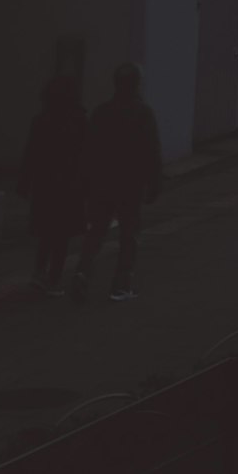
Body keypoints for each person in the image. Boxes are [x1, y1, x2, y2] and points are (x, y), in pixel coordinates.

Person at [77, 62, 164, 303]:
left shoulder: (101, 111)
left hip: (102, 182)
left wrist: (85, 182)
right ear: (136, 84)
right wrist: (154, 183)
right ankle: (121, 284)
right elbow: (152, 150)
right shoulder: (143, 112)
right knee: (128, 233)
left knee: (97, 230)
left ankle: (82, 270)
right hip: (130, 184)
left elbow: (88, 150)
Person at [13, 54, 87, 299]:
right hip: (70, 186)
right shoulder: (79, 119)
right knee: (62, 236)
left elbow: (31, 153)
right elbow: (87, 154)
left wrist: (24, 183)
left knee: (46, 233)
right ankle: (53, 278)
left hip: (45, 185)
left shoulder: (42, 120)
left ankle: (39, 274)